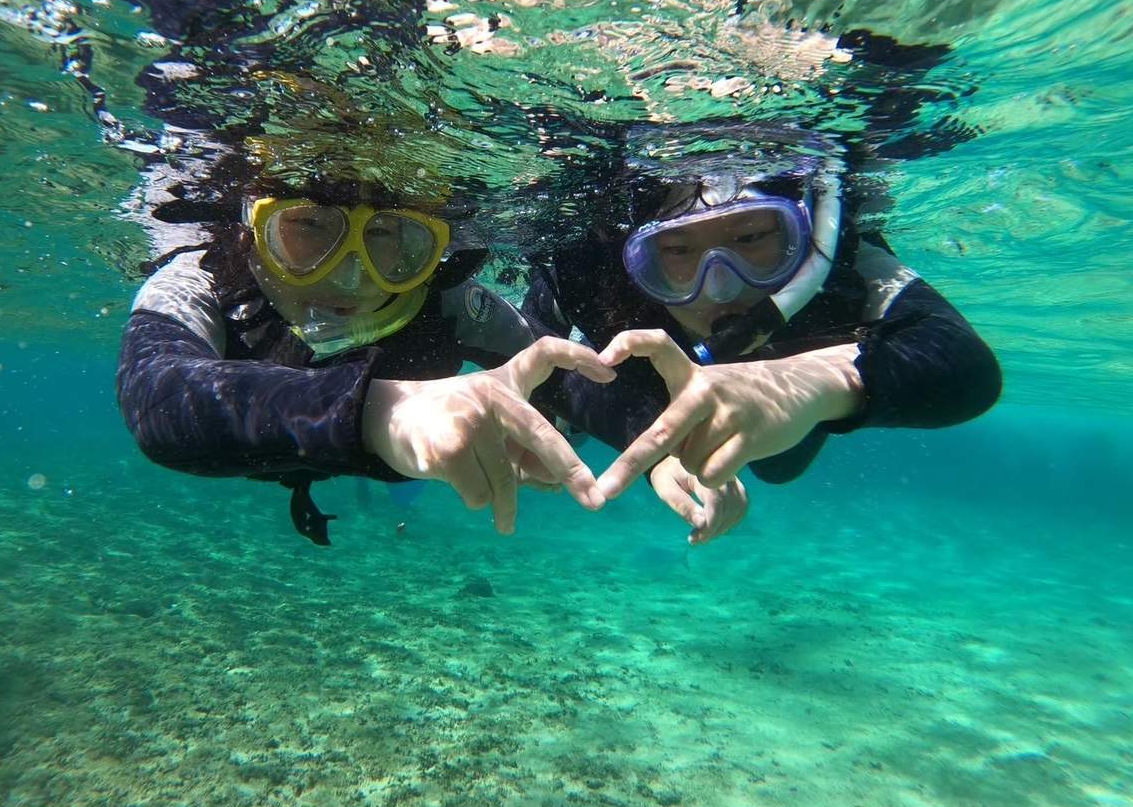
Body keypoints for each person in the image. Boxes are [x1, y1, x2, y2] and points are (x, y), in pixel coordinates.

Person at [523, 120, 1002, 543]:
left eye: (751, 238)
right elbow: (543, 356)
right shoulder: (590, 267)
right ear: (636, 256)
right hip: (643, 377)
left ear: (805, 235)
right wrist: (656, 448)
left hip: (791, 379)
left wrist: (811, 384)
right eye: (676, 251)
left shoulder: (837, 260)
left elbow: (962, 362)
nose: (720, 287)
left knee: (779, 465)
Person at [116, 164, 616, 546]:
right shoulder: (202, 279)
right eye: (308, 227)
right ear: (251, 231)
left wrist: (653, 431)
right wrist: (383, 412)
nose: (350, 275)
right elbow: (157, 394)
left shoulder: (446, 301)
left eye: (383, 235)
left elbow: (562, 372)